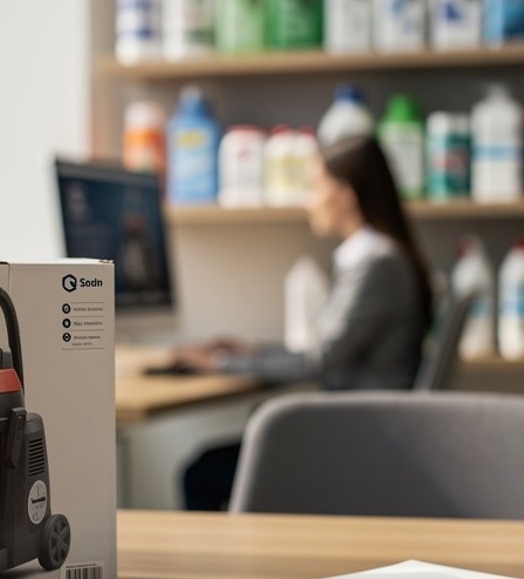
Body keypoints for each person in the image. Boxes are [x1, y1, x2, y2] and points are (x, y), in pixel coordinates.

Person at [174, 135, 434, 510]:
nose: (309, 201)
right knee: (227, 450)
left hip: (360, 439)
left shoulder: (378, 266)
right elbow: (327, 348)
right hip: (361, 430)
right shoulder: (375, 261)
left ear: (345, 194)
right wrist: (254, 351)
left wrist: (221, 364)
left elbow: (319, 360)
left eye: (315, 187)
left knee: (200, 472)